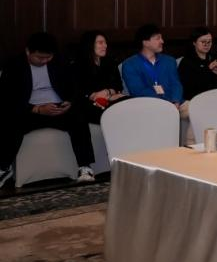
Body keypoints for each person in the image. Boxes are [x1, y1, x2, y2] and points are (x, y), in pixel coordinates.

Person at [0, 32, 98, 185]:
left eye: (48, 57)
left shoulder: (60, 61)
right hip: (30, 110)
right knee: (12, 122)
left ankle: (85, 167)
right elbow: (8, 98)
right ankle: (3, 168)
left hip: (58, 108)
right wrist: (37, 109)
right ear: (28, 51)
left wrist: (69, 102)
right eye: (40, 58)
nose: (44, 61)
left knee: (79, 118)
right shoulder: (14, 65)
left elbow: (74, 87)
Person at [121, 24, 186, 114]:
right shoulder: (130, 64)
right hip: (147, 107)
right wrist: (165, 102)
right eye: (158, 38)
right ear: (145, 42)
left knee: (195, 111)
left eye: (161, 38)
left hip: (176, 104)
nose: (162, 41)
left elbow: (176, 84)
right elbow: (138, 91)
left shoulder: (169, 61)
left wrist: (176, 101)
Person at [73, 30, 124, 124]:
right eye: (100, 43)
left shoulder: (111, 62)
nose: (105, 46)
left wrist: (107, 92)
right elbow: (79, 90)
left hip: (112, 98)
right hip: (88, 103)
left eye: (105, 43)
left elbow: (118, 85)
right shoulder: (78, 65)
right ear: (90, 45)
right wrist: (97, 96)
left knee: (130, 102)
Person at [178, 27, 217, 101]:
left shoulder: (216, 58)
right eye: (203, 42)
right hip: (196, 99)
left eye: (209, 42)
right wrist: (208, 69)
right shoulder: (186, 62)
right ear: (194, 43)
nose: (207, 44)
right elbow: (188, 88)